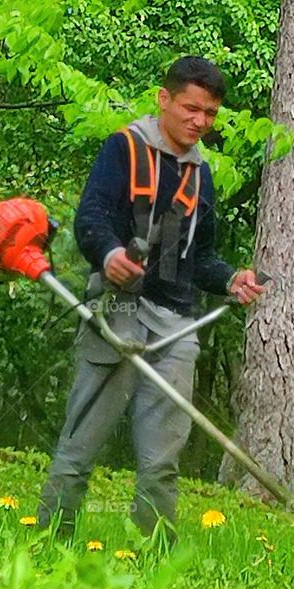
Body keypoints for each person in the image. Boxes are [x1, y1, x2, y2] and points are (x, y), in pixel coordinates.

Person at [37, 56, 267, 540]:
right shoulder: (124, 148)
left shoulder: (199, 175)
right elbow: (91, 218)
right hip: (116, 311)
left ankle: (153, 556)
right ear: (164, 99)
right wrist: (109, 254)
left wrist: (230, 279)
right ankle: (50, 544)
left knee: (162, 460)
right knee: (80, 447)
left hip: (177, 325)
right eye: (191, 108)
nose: (200, 122)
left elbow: (198, 257)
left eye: (209, 114)